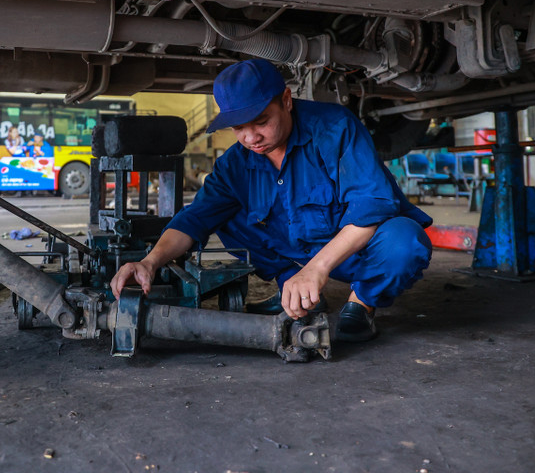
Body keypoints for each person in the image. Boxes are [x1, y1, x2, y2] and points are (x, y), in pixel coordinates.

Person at [110, 59, 432, 342]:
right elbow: (194, 219)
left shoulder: (335, 129)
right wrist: (149, 262)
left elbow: (371, 206)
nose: (251, 138)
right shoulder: (235, 164)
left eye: (262, 122)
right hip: (296, 249)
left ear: (287, 101)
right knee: (222, 212)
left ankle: (361, 304)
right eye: (239, 128)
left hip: (354, 252)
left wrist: (317, 269)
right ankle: (292, 288)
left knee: (405, 241)